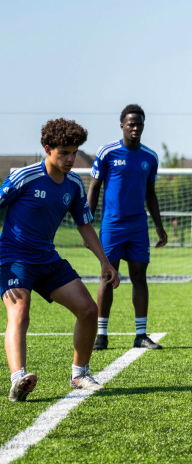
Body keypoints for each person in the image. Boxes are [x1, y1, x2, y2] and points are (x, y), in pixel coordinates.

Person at [1, 118, 120, 402]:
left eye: (74, 153)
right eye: (64, 153)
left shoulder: (74, 184)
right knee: (20, 312)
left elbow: (85, 225)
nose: (70, 159)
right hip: (14, 259)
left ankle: (80, 375)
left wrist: (105, 262)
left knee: (89, 310)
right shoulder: (24, 177)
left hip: (47, 259)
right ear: (47, 149)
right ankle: (18, 380)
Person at [87, 104, 167, 351]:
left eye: (139, 124)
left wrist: (159, 227)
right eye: (131, 124)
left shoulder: (150, 157)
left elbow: (151, 194)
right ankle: (101, 335)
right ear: (122, 125)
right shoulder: (107, 152)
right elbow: (94, 188)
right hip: (112, 226)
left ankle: (141, 335)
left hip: (138, 227)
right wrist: (87, 224)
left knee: (139, 277)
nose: (135, 128)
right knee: (107, 277)